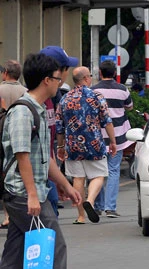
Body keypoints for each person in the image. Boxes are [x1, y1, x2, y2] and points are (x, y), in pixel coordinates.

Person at [0, 53, 82, 269]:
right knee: (53, 246)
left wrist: (66, 185)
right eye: (57, 78)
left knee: (15, 253)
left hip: (29, 192)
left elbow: (45, 158)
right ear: (47, 80)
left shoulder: (39, 110)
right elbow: (22, 155)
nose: (60, 83)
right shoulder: (22, 112)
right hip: (22, 193)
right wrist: (33, 196)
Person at [56, 66, 117, 224]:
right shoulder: (96, 96)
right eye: (90, 75)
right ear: (85, 79)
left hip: (72, 145)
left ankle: (81, 216)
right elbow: (107, 121)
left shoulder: (65, 98)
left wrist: (60, 147)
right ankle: (89, 200)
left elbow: (59, 126)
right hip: (94, 143)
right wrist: (113, 142)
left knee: (78, 178)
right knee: (98, 175)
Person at [91, 60, 134, 218]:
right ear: (114, 73)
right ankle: (110, 207)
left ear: (100, 73)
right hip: (118, 137)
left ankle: (98, 205)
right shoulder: (122, 89)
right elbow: (129, 106)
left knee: (98, 171)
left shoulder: (93, 90)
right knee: (114, 170)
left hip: (98, 137)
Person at [40, 46, 79, 215]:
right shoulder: (31, 107)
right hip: (34, 186)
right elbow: (24, 154)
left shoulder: (50, 101)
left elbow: (48, 146)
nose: (66, 75)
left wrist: (59, 182)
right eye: (66, 69)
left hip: (47, 179)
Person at [0, 60, 27, 229]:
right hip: (19, 137)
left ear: (5, 73)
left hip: (1, 135)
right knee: (15, 173)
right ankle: (13, 213)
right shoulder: (25, 92)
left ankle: (7, 215)